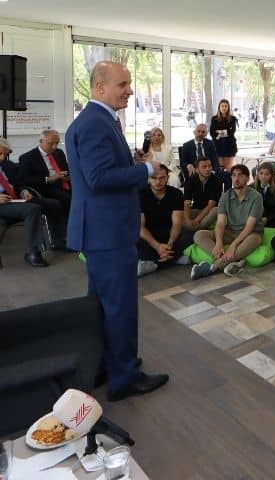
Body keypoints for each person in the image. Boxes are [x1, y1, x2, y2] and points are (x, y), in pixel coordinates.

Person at [65, 60, 168, 401]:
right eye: (123, 84)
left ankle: (104, 365)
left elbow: (102, 170)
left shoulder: (98, 120)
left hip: (101, 230)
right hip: (108, 232)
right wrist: (146, 170)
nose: (130, 90)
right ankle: (124, 378)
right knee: (119, 306)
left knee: (101, 305)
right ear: (100, 88)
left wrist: (131, 163)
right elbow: (99, 179)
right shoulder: (96, 124)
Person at [190, 164, 263, 279]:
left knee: (254, 240)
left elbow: (249, 227)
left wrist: (233, 245)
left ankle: (212, 267)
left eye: (240, 175)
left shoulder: (256, 197)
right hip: (230, 232)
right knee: (199, 235)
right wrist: (218, 243)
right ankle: (234, 262)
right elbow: (220, 223)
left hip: (250, 234)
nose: (236, 179)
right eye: (234, 175)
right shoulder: (225, 196)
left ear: (248, 178)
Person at [0, 139, 51, 266]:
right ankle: (34, 253)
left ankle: (35, 252)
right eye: (0, 153)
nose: (2, 158)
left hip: (12, 201)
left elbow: (18, 183)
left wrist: (23, 191)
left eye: (5, 154)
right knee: (33, 209)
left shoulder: (7, 165)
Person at [137, 165, 191, 276]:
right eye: (154, 178)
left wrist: (169, 244)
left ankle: (153, 262)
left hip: (170, 235)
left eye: (162, 178)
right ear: (148, 178)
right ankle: (173, 258)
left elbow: (177, 223)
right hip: (149, 237)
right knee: (132, 237)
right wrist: (157, 246)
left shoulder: (176, 194)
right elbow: (140, 226)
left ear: (167, 177)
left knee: (190, 234)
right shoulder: (140, 194)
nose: (158, 182)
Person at [18, 129, 72, 217]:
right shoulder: (27, 157)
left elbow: (66, 169)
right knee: (65, 197)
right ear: (41, 141)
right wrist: (48, 179)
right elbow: (26, 179)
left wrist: (67, 175)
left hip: (63, 183)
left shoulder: (59, 153)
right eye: (51, 144)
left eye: (57, 143)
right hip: (45, 187)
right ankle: (67, 223)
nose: (54, 147)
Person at [182, 157, 223, 232]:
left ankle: (196, 228)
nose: (208, 169)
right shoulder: (190, 181)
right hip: (196, 209)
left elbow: (211, 205)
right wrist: (187, 220)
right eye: (204, 167)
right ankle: (195, 227)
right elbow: (187, 202)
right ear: (197, 170)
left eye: (209, 166)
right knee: (178, 213)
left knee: (216, 210)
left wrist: (196, 221)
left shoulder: (217, 181)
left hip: (210, 212)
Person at [252, 163, 275, 228]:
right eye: (261, 173)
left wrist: (267, 218)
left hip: (274, 217)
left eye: (267, 174)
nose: (263, 176)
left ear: (272, 175)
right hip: (256, 217)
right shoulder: (252, 187)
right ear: (257, 174)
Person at [210, 99, 237, 172]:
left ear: (228, 107)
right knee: (219, 169)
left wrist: (218, 132)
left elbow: (232, 132)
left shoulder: (233, 119)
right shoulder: (214, 119)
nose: (224, 108)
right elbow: (212, 133)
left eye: (226, 106)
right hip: (217, 145)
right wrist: (226, 131)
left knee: (229, 169)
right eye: (222, 106)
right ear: (219, 107)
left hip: (229, 145)